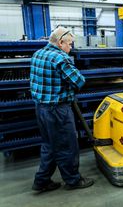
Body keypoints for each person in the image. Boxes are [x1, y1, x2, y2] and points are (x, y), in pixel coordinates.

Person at [30, 27, 94, 192]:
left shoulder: (38, 54)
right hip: (57, 110)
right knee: (67, 146)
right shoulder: (60, 58)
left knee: (49, 145)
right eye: (70, 44)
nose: (71, 48)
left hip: (41, 109)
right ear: (60, 43)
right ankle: (73, 180)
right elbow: (79, 81)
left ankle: (42, 181)